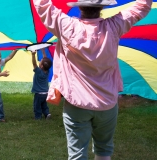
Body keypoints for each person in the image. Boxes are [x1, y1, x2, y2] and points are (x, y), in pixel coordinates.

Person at [33, 0, 152, 159]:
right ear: (102, 7)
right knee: (104, 151)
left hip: (77, 105)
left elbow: (43, 6)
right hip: (107, 105)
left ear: (80, 7)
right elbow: (142, 6)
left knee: (77, 155)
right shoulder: (115, 26)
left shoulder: (67, 26)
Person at [31, 48, 52, 120]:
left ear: (42, 66)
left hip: (39, 94)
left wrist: (33, 55)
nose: (39, 61)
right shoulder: (47, 71)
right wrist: (43, 50)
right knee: (44, 105)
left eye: (41, 61)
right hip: (46, 93)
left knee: (37, 105)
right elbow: (45, 59)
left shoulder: (39, 71)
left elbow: (34, 64)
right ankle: (47, 114)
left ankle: (38, 117)